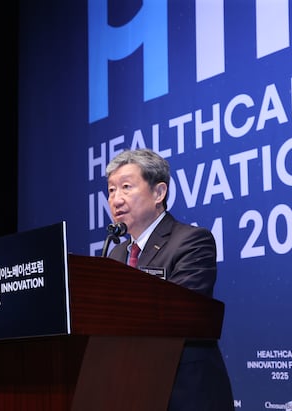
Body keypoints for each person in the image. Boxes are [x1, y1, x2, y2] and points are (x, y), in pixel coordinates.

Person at [105, 148, 234, 411]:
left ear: (159, 193)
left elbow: (181, 313)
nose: (116, 199)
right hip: (131, 388)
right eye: (111, 190)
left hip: (184, 391)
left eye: (126, 187)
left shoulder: (191, 241)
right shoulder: (116, 253)